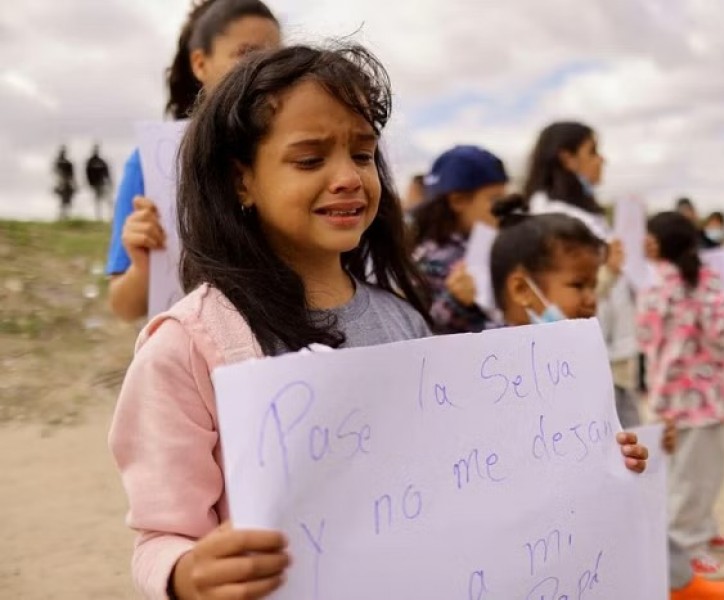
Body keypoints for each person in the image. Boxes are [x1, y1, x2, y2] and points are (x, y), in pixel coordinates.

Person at [108, 44, 650, 600]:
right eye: (310, 159)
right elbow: (158, 537)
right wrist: (188, 573)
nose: (347, 177)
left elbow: (462, 473)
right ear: (240, 180)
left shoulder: (403, 320)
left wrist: (588, 457)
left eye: (363, 155)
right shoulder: (187, 347)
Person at [490, 197, 724, 600]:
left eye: (593, 284)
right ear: (520, 288)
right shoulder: (492, 373)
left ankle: (676, 580)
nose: (591, 298)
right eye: (578, 285)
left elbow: (616, 450)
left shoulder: (586, 365)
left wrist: (648, 445)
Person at [105, 0, 281, 322]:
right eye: (246, 53)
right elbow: (123, 306)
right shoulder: (152, 161)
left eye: (276, 57)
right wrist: (145, 266)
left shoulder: (299, 154)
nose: (264, 69)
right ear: (200, 64)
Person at [638, 212, 724, 582]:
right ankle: (688, 549)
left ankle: (702, 530)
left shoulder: (654, 282)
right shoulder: (700, 280)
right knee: (698, 476)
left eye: (651, 237)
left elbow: (646, 339)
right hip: (700, 398)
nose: (646, 243)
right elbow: (723, 332)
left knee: (682, 473)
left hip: (666, 393)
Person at [523, 121, 633, 410]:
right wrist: (608, 271)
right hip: (580, 360)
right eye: (593, 151)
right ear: (567, 158)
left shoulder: (585, 212)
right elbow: (556, 295)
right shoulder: (548, 214)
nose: (602, 160)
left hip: (609, 351)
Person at [411, 145, 508, 334]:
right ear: (458, 201)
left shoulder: (492, 246)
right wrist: (456, 302)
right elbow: (421, 332)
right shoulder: (429, 262)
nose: (502, 209)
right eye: (494, 200)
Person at [86, 144, 112, 220]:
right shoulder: (90, 162)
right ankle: (98, 216)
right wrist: (90, 183)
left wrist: (108, 181)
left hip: (102, 184)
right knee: (97, 200)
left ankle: (109, 216)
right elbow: (88, 174)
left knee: (106, 199)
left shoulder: (101, 161)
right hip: (96, 185)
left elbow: (107, 173)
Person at [53, 146, 76, 220]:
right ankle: (62, 215)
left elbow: (72, 174)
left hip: (67, 183)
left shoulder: (68, 163)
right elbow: (55, 172)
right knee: (63, 201)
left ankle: (65, 215)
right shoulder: (58, 162)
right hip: (61, 182)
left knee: (67, 200)